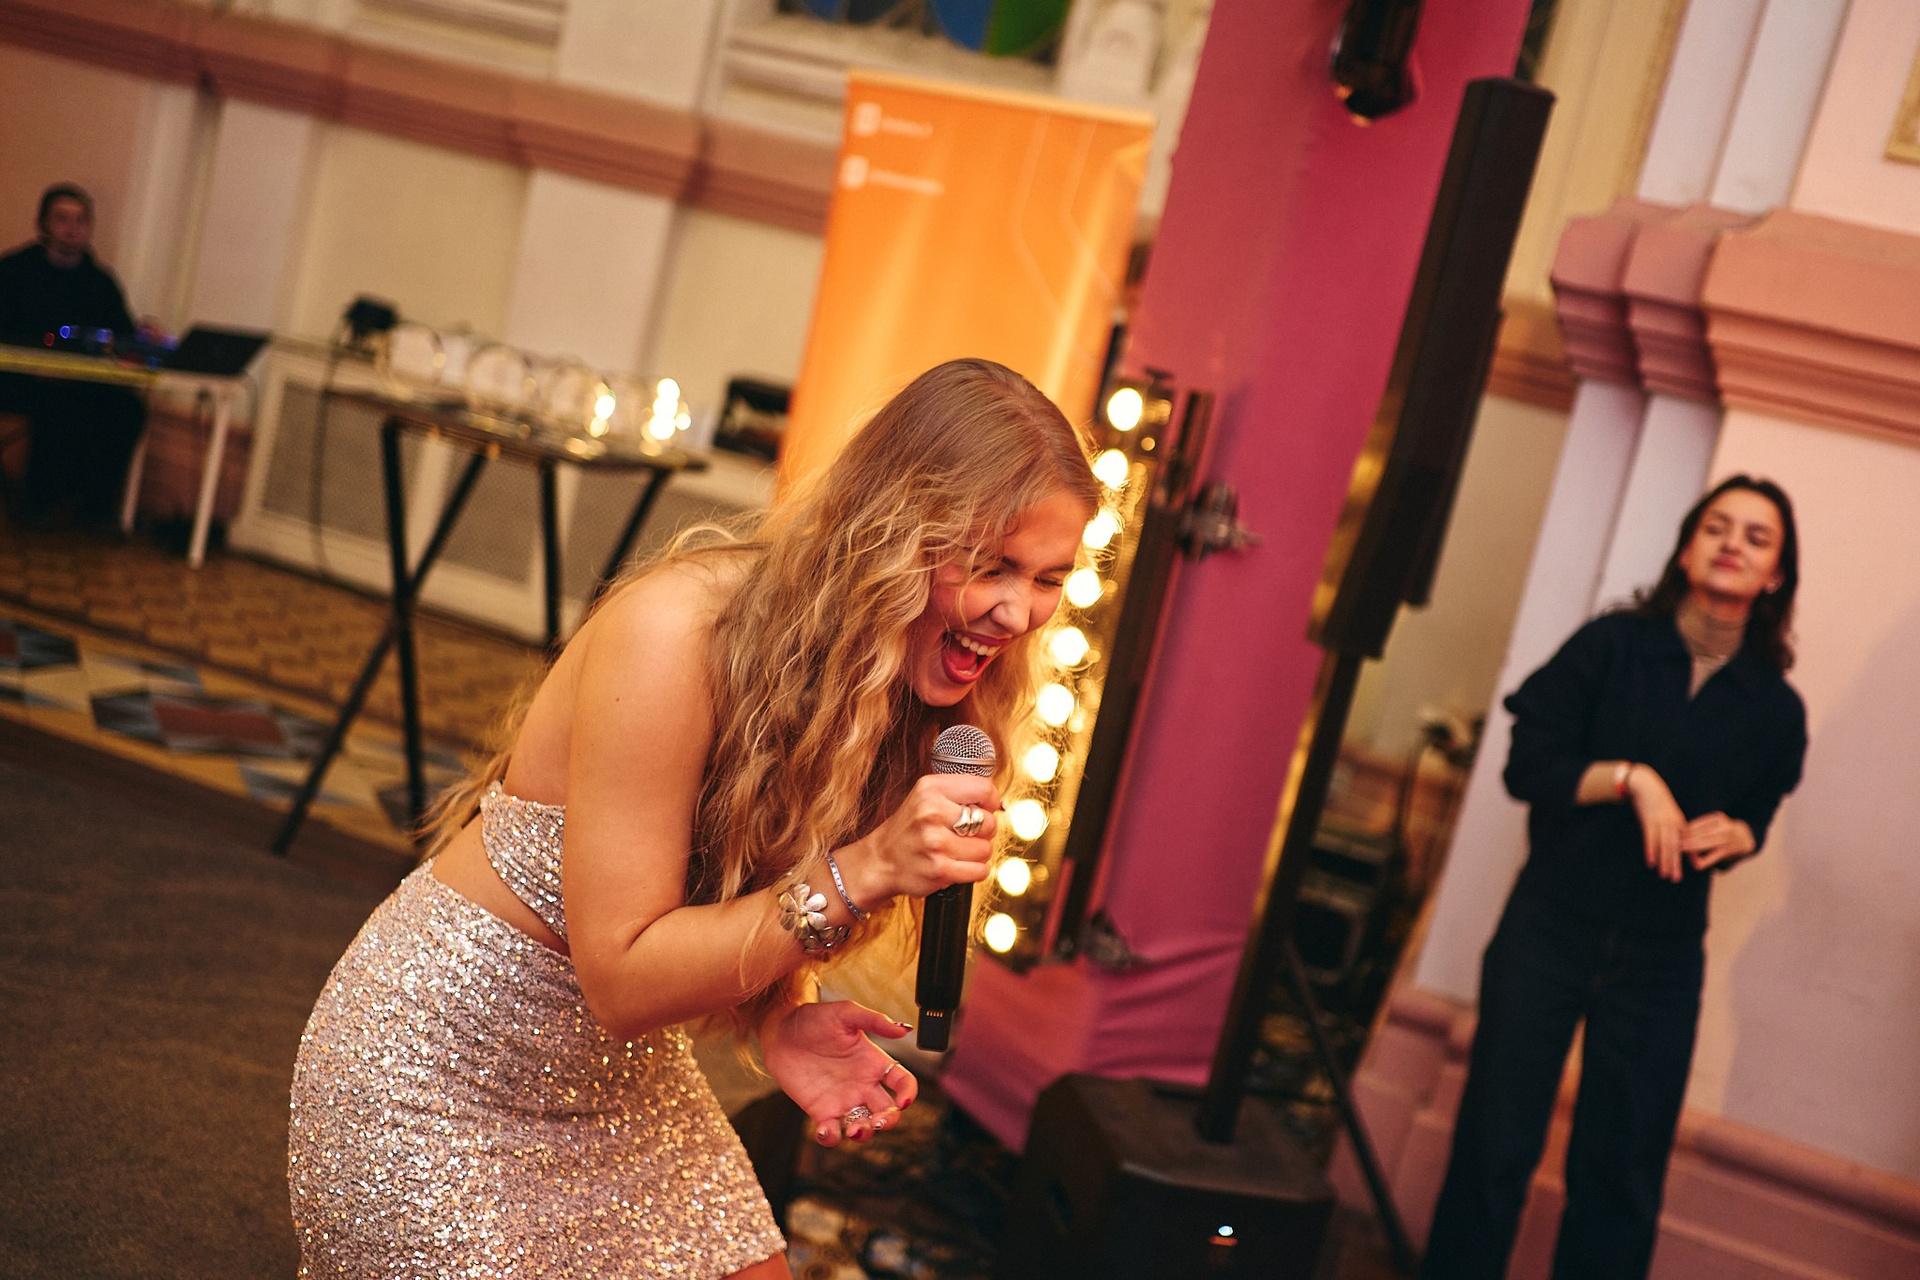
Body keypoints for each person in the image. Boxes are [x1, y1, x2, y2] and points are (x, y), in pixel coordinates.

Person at [288, 358, 1099, 1278]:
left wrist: (779, 1016)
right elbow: (624, 980)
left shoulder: (907, 685)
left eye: (1049, 578)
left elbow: (741, 883)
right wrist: (866, 870)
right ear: (893, 534)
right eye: (990, 566)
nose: (1017, 612)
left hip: (614, 1079)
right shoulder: (677, 632)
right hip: (436, 1077)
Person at [1421, 476, 1808, 1280]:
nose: (1732, 544)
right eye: (1717, 527)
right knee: (1495, 1145)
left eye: (1756, 537)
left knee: (1622, 1175)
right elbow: (1528, 767)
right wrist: (1632, 780)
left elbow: (1759, 810)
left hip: (1661, 959)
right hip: (1549, 929)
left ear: (1775, 576)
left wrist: (1742, 834)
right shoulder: (1611, 646)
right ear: (1687, 548)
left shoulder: (1776, 708)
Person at [0, 183, 147, 531]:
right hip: (19, 378)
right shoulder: (14, 272)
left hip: (81, 382)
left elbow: (121, 334)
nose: (72, 228)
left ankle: (94, 508)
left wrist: (141, 339)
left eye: (81, 220)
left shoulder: (99, 282)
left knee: (126, 410)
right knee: (58, 402)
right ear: (43, 223)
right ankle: (39, 502)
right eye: (62, 219)